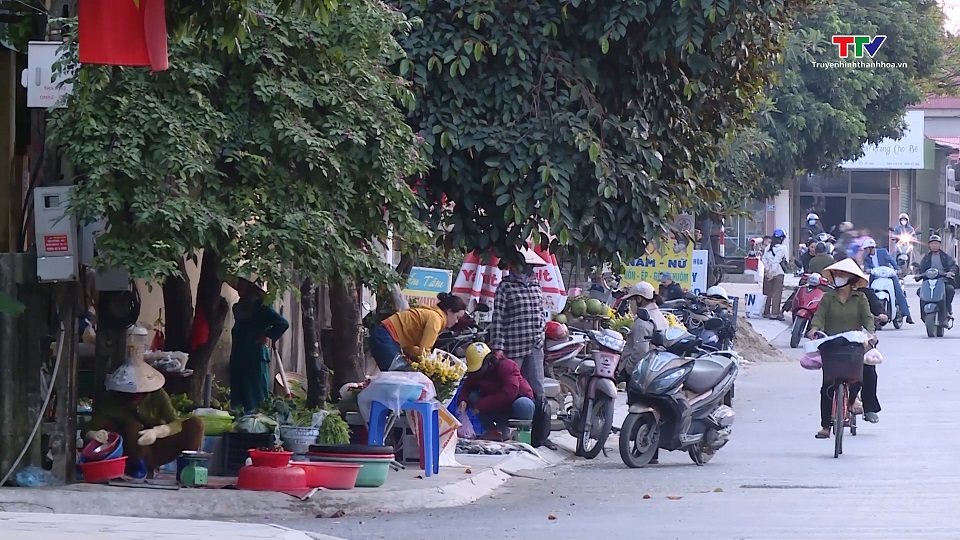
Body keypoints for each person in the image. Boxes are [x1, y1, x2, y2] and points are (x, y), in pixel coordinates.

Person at [85, 344, 204, 476]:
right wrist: (93, 434)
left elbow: (175, 422)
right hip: (131, 450)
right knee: (133, 427)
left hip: (159, 446)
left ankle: (186, 470)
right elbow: (89, 428)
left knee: (196, 424)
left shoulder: (157, 395)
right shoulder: (112, 402)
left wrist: (158, 431)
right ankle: (138, 469)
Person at [489, 248, 552, 448]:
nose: (527, 269)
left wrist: (541, 337)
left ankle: (540, 435)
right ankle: (504, 430)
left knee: (537, 390)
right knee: (509, 389)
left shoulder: (535, 285)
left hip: (534, 345)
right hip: (512, 346)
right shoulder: (505, 287)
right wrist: (497, 346)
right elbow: (497, 319)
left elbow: (541, 313)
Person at [807, 259, 875, 439]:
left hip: (854, 343)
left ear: (851, 279)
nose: (838, 277)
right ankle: (825, 427)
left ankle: (852, 401)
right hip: (832, 344)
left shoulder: (860, 298)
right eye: (837, 274)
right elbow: (819, 317)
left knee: (859, 379)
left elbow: (867, 318)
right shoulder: (828, 297)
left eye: (843, 274)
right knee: (827, 385)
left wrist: (871, 333)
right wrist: (814, 329)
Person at [228, 276, 291, 413]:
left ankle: (256, 419)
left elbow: (283, 323)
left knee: (254, 393)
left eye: (242, 286)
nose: (239, 288)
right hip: (238, 354)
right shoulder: (237, 308)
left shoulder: (262, 309)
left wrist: (267, 335)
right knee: (237, 392)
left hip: (255, 356)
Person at [457, 342, 535, 440]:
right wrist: (463, 401)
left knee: (524, 404)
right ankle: (495, 432)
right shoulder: (477, 373)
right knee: (473, 396)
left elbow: (509, 394)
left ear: (488, 361)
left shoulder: (508, 366)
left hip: (514, 403)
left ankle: (524, 436)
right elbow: (467, 387)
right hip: (496, 406)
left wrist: (481, 405)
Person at [371, 292, 467, 371]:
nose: (456, 321)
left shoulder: (433, 315)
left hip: (383, 335)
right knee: (400, 376)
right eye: (457, 317)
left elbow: (412, 348)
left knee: (399, 376)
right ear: (449, 311)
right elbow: (425, 351)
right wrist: (435, 366)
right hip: (386, 336)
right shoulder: (435, 320)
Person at [861, 237, 913, 324]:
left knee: (899, 292)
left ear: (871, 248)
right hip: (876, 277)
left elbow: (891, 260)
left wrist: (897, 269)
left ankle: (907, 314)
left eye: (866, 249)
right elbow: (866, 266)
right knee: (869, 292)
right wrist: (866, 269)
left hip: (889, 276)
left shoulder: (882, 252)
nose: (865, 251)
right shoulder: (867, 257)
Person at [916, 234, 959, 318]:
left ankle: (947, 309)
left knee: (949, 290)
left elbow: (953, 266)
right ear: (929, 245)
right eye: (932, 244)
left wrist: (951, 272)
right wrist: (918, 274)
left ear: (940, 245)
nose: (934, 245)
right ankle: (924, 312)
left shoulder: (945, 257)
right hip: (929, 282)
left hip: (943, 281)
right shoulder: (926, 258)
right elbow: (921, 269)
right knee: (920, 291)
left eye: (936, 243)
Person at [761, 229, 788, 320]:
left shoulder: (768, 247)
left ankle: (766, 312)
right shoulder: (782, 248)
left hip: (768, 273)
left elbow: (763, 259)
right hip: (778, 273)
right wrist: (772, 273)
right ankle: (774, 314)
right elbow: (776, 261)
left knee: (767, 293)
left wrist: (768, 271)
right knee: (777, 294)